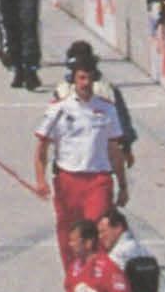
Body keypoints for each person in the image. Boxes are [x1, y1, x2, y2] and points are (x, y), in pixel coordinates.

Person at [35, 60, 128, 279]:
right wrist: (40, 180)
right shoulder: (59, 109)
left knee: (97, 231)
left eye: (89, 78)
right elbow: (42, 147)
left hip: (98, 179)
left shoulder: (107, 108)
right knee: (70, 234)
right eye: (81, 78)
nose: (85, 83)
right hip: (68, 180)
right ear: (73, 80)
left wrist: (123, 185)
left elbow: (114, 149)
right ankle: (73, 280)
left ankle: (96, 278)